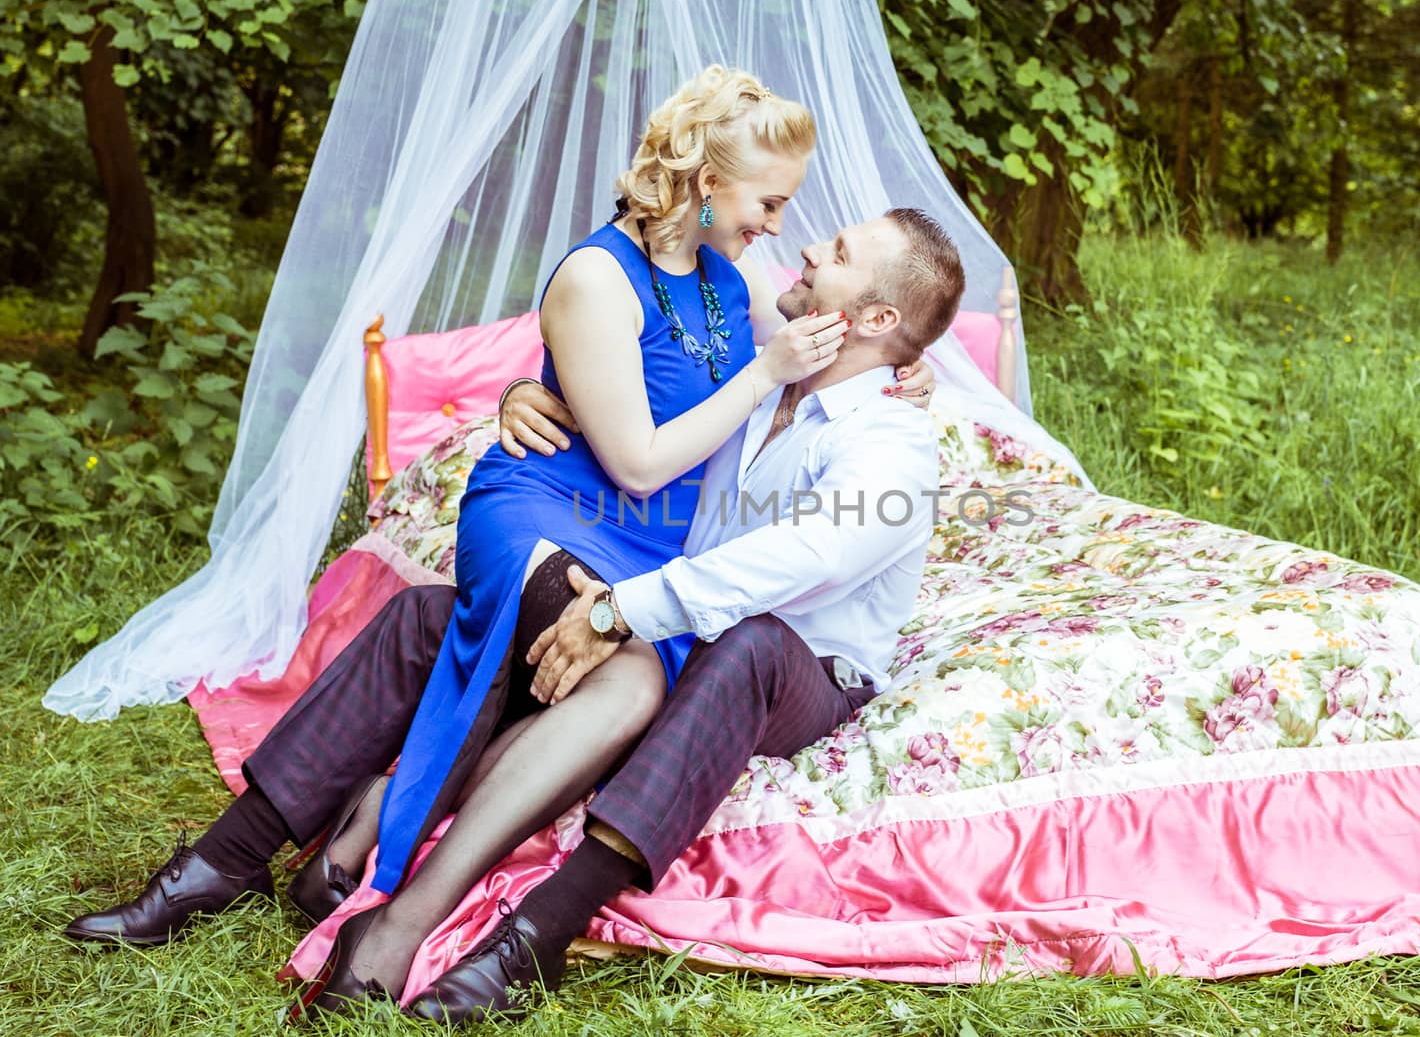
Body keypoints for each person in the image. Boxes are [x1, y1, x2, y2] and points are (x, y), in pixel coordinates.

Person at [59, 66, 935, 1005]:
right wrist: (542, 395)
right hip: (553, 512)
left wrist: (908, 374)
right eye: (772, 200)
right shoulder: (600, 272)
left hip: (646, 548)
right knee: (629, 672)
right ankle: (400, 912)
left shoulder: (737, 281)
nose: (784, 228)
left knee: (432, 626)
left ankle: (237, 857)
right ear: (708, 181)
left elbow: (838, 353)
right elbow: (646, 451)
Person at [356, 206, 967, 1024]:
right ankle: (344, 825)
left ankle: (537, 933)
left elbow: (811, 555)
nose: (812, 247)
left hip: (806, 674)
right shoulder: (757, 380)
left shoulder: (894, 439)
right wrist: (524, 394)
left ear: (878, 318)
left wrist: (621, 611)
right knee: (473, 608)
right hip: (688, 637)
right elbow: (633, 418)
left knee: (746, 644)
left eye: (843, 252)